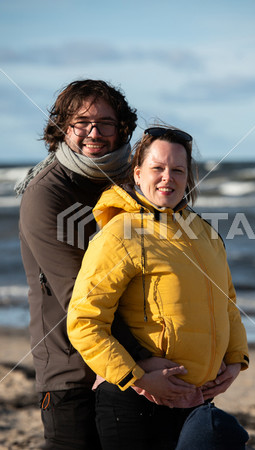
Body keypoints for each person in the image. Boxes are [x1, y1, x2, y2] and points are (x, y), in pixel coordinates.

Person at [17, 81, 194, 449]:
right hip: (73, 371)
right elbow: (76, 296)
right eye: (81, 122)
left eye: (105, 123)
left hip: (145, 362)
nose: (93, 133)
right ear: (63, 128)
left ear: (122, 128)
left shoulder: (137, 179)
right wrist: (144, 363)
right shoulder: (46, 194)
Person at [67, 126, 250, 449]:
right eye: (158, 168)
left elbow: (227, 303)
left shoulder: (205, 233)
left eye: (178, 170)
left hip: (194, 399)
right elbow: (84, 321)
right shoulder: (119, 235)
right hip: (133, 403)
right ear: (137, 174)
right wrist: (137, 377)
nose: (168, 177)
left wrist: (234, 361)